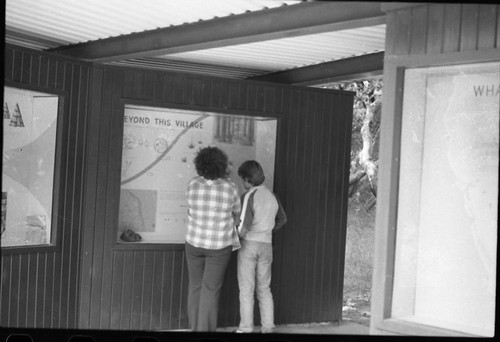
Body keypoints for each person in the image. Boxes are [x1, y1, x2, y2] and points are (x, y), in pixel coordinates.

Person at [185, 146, 241, 332]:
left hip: (193, 243)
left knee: (195, 286)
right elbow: (237, 215)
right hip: (218, 246)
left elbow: (189, 210)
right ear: (222, 166)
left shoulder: (192, 184)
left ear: (199, 164)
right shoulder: (231, 188)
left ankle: (194, 328)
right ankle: (205, 331)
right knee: (210, 289)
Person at [235, 160, 287, 333]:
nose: (242, 183)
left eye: (242, 180)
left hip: (249, 245)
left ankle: (246, 329)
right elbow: (282, 219)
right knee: (264, 289)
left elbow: (243, 228)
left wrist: (233, 239)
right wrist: (268, 230)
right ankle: (267, 328)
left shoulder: (249, 196)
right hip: (267, 245)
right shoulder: (272, 196)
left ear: (248, 179)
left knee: (246, 289)